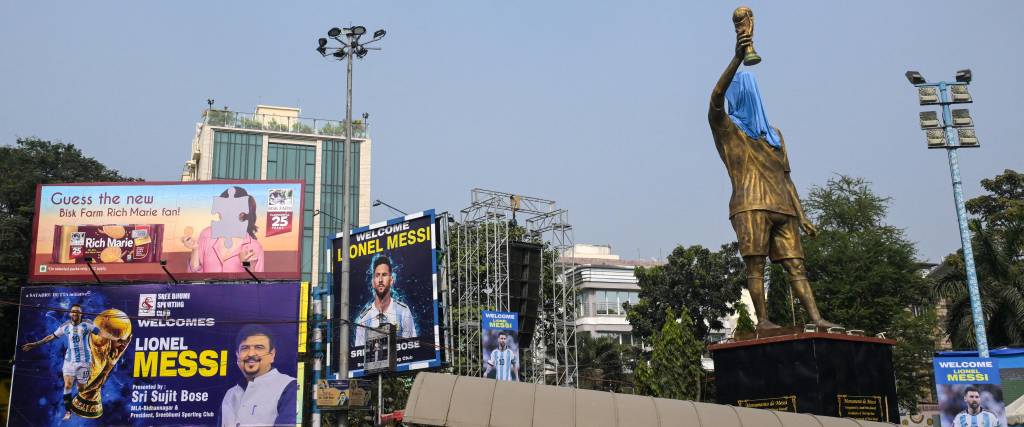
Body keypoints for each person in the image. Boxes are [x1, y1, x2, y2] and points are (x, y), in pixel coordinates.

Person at [708, 30, 837, 331]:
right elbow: (714, 99)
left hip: (784, 208)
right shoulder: (728, 130)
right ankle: (763, 320)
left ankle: (816, 319)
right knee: (756, 265)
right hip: (750, 205)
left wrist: (803, 215)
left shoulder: (774, 135)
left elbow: (787, 178)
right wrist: (737, 58)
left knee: (796, 266)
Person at [20, 303, 117, 420]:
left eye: (77, 311)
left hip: (84, 362)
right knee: (67, 385)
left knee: (81, 388)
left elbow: (102, 333)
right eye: (73, 311)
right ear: (70, 313)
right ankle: (68, 411)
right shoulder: (65, 326)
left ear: (80, 314)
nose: (75, 313)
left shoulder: (87, 324)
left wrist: (116, 338)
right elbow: (51, 337)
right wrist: (35, 344)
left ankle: (82, 385)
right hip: (69, 362)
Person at [220, 325, 296, 427]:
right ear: (237, 355)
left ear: (272, 355)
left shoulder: (289, 387)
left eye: (259, 347)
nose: (251, 354)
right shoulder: (230, 395)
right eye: (245, 348)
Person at [182, 186, 265, 273]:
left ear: (242, 213)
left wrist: (248, 266)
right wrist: (195, 249)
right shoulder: (207, 234)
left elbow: (256, 285)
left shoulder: (255, 247)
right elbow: (193, 275)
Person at [354, 255, 417, 346]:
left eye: (384, 275)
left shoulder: (403, 311)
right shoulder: (364, 319)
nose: (380, 280)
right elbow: (358, 354)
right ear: (373, 282)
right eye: (377, 275)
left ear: (391, 280)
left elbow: (412, 347)